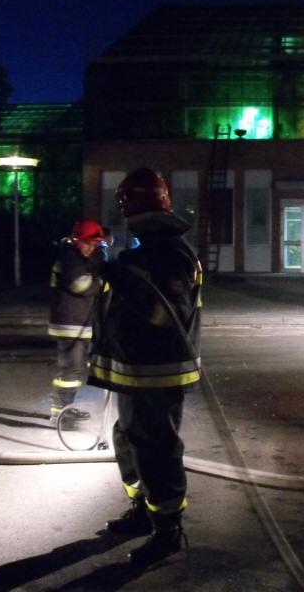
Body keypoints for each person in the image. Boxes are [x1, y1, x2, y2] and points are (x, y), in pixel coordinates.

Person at [87, 167, 202, 567]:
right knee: (129, 439)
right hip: (137, 372)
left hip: (158, 373)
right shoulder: (149, 251)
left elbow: (164, 312)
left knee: (157, 449)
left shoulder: (168, 254)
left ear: (131, 205)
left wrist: (111, 270)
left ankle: (167, 530)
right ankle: (143, 510)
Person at [47, 218, 106, 425]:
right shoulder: (70, 259)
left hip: (77, 324)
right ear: (77, 239)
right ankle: (59, 413)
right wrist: (101, 283)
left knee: (74, 370)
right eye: (88, 243)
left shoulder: (78, 258)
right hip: (70, 324)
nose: (92, 248)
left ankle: (66, 409)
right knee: (70, 371)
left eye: (95, 244)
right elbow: (81, 286)